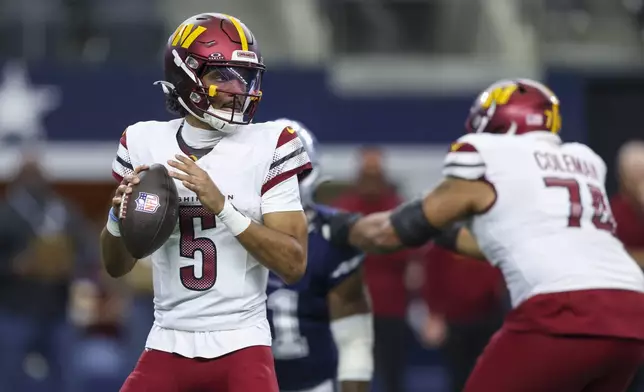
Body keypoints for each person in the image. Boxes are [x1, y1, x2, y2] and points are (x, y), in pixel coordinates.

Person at [324, 78, 644, 392]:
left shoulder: (486, 152)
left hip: (563, 310)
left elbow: (388, 234)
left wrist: (340, 227)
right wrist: (443, 234)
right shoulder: (584, 161)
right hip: (631, 312)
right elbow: (502, 245)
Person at [100, 13, 312, 392]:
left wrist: (223, 207)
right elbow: (116, 266)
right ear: (187, 78)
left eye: (242, 77)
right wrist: (119, 217)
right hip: (167, 339)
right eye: (222, 76)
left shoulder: (271, 143)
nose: (237, 88)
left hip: (242, 341)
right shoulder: (142, 141)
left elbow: (294, 264)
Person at [266, 119, 373, 392]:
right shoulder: (229, 231)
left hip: (313, 385)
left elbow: (353, 339)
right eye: (273, 175)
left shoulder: (331, 236)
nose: (281, 184)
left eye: (291, 174)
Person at [332, 147, 411, 392]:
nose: (371, 176)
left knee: (392, 376)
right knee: (350, 373)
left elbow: (409, 258)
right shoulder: (341, 210)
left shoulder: (399, 211)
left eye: (376, 171)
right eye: (367, 170)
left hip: (390, 307)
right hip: (349, 307)